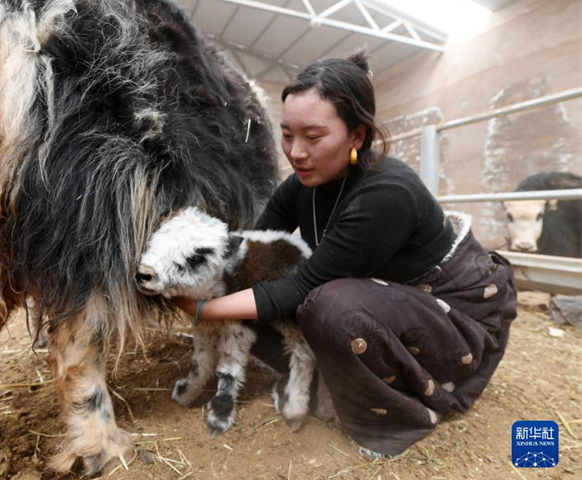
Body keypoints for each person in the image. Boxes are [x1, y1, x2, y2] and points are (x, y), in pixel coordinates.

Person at [175, 51, 517, 459]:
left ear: (357, 136)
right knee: (267, 296)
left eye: (314, 137)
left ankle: (392, 416)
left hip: (448, 309)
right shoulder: (303, 184)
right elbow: (251, 252)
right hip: (384, 298)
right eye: (287, 135)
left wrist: (202, 309)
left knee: (327, 305)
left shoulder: (386, 193)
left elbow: (302, 286)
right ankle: (336, 374)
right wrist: (183, 264)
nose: (296, 152)